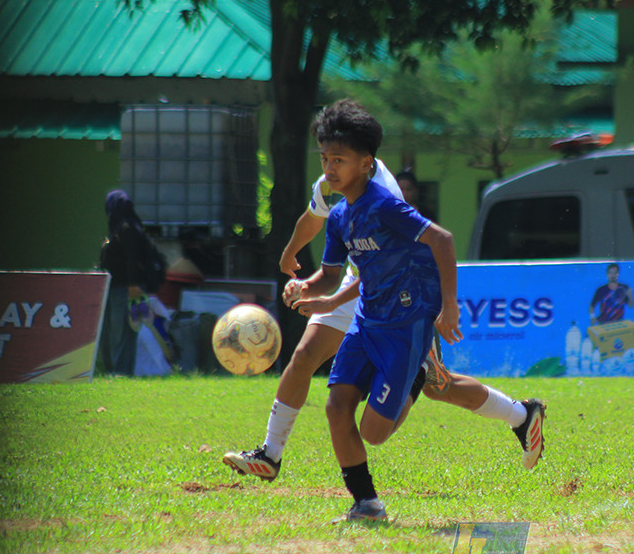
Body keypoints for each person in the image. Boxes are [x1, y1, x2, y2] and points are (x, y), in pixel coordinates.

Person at [222, 100, 544, 521]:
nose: (329, 168)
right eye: (324, 159)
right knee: (336, 405)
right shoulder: (340, 211)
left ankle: (453, 389)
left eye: (338, 160)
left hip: (407, 318)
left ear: (366, 163)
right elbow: (334, 269)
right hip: (367, 314)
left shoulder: (386, 202)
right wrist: (309, 288)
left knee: (381, 427)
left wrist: (448, 307)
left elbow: (442, 242)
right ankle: (364, 502)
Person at [98, 189, 147, 375]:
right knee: (111, 331)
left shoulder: (127, 228)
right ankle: (110, 369)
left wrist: (133, 284)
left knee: (123, 332)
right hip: (113, 287)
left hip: (125, 288)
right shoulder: (117, 228)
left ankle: (121, 371)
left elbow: (132, 258)